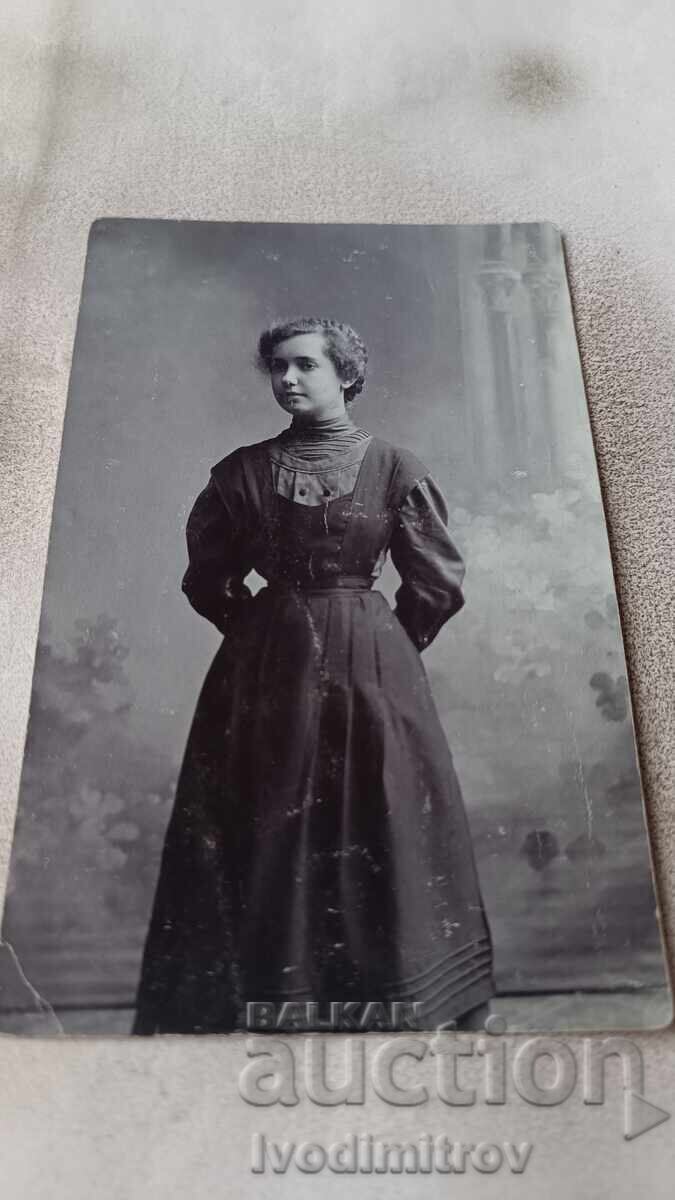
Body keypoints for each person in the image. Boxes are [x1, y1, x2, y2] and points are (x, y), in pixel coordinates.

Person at [133, 316, 494, 1034]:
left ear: (345, 374)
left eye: (304, 365)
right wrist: (261, 645)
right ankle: (277, 993)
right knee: (266, 822)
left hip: (373, 668)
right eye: (277, 367)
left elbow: (437, 584)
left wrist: (383, 648)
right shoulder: (238, 473)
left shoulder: (396, 468)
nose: (288, 379)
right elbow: (208, 579)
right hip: (269, 673)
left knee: (382, 815)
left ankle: (400, 992)